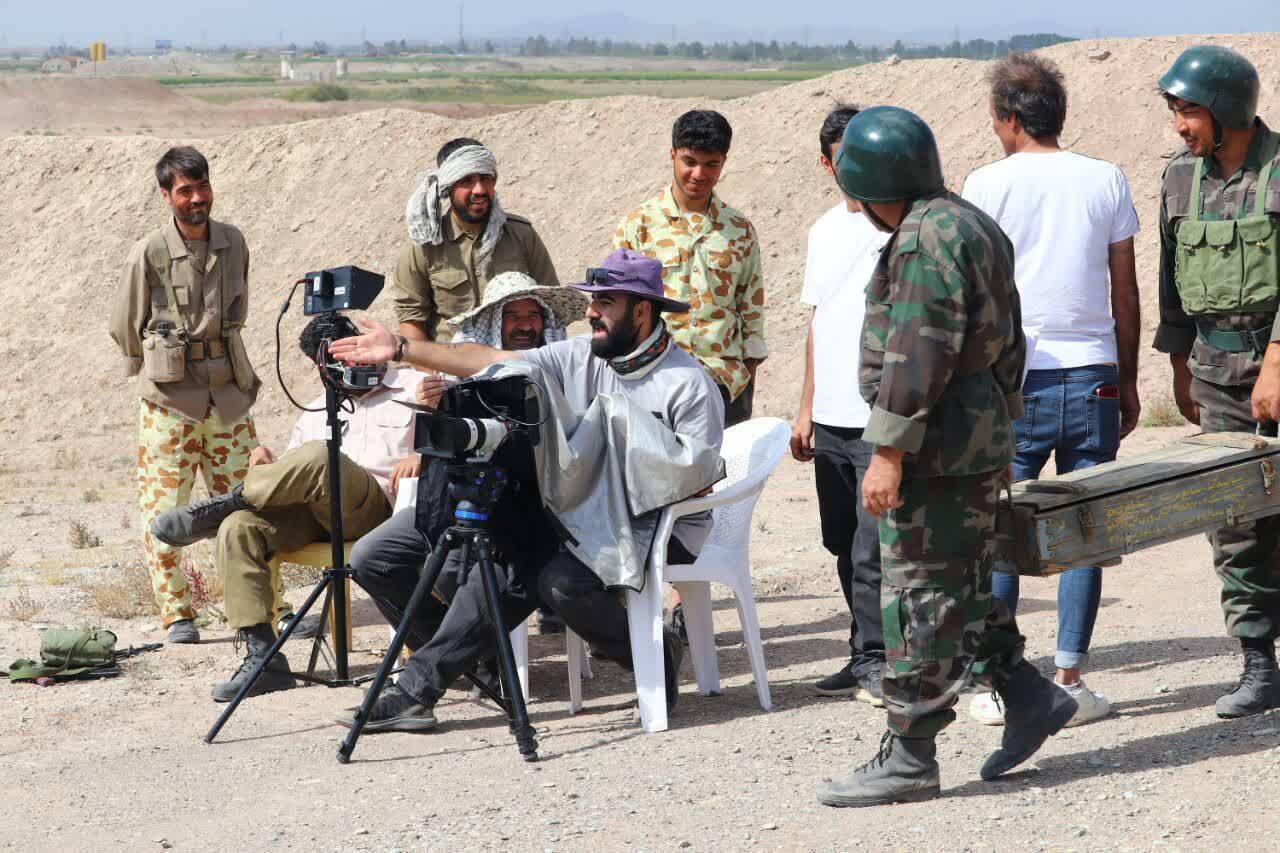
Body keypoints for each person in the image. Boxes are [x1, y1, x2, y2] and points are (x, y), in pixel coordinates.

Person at [327, 249, 724, 733]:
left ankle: (656, 656)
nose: (591, 313)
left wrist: (613, 464)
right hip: (573, 513)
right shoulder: (579, 355)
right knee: (506, 551)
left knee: (550, 576)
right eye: (592, 300)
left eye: (605, 302)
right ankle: (439, 679)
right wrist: (403, 350)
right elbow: (487, 358)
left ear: (642, 311)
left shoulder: (687, 383)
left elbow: (697, 481)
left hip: (658, 523)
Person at [815, 106, 1076, 808]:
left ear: (873, 182)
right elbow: (1011, 339)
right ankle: (1029, 695)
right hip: (976, 435)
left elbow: (916, 351)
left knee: (918, 594)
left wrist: (889, 453)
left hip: (936, 448)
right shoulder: (966, 220)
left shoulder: (924, 239)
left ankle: (910, 752)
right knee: (957, 585)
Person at [961, 53, 1142, 728]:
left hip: (1013, 380)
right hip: (1092, 371)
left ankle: (996, 681)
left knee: (1002, 526)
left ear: (1010, 118)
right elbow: (1124, 289)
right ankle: (1069, 675)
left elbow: (974, 292)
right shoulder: (1106, 179)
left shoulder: (985, 184)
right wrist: (1126, 379)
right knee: (1085, 530)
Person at [148, 314, 425, 701]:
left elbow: (461, 435)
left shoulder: (417, 386)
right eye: (333, 364)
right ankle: (264, 660)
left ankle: (226, 503)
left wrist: (423, 455)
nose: (350, 367)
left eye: (353, 354)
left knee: (322, 456)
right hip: (317, 516)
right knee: (240, 527)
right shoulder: (315, 409)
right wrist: (271, 464)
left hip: (382, 513)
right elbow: (297, 476)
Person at [353, 270, 588, 668]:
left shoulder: (562, 364)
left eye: (534, 315)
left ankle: (449, 663)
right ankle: (467, 658)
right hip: (457, 498)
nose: (527, 325)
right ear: (494, 322)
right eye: (514, 316)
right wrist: (435, 411)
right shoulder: (457, 369)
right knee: (371, 557)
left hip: (534, 508)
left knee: (460, 567)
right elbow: (444, 445)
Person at [1153, 45, 1280, 718]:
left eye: (1189, 110)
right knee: (1233, 519)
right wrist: (1179, 367)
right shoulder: (1179, 181)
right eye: (1175, 111)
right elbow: (1171, 285)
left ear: (1229, 109)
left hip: (1277, 365)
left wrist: (1278, 362)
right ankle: (1259, 662)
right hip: (1216, 376)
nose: (1180, 125)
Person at [109, 146, 262, 645]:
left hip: (227, 396)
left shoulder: (233, 242)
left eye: (202, 187)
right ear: (167, 196)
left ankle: (263, 608)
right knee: (164, 508)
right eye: (185, 191)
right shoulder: (149, 252)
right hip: (170, 400)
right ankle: (177, 612)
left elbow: (237, 307)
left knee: (246, 502)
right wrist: (158, 368)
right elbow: (124, 328)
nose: (197, 198)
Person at [791, 104, 888, 705]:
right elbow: (818, 324)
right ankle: (862, 653)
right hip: (830, 416)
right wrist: (804, 408)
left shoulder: (900, 223)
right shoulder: (823, 231)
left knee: (874, 548)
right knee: (841, 541)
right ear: (827, 164)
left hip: (878, 415)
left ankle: (882, 657)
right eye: (839, 158)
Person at [613, 109, 767, 428]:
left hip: (726, 387)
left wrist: (747, 382)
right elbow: (617, 307)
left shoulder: (739, 229)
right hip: (656, 381)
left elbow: (750, 309)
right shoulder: (637, 226)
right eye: (689, 161)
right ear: (672, 155)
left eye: (712, 164)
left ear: (724, 161)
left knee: (728, 477)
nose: (699, 174)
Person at [391, 138, 559, 344]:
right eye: (466, 180)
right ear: (448, 187)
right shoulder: (424, 247)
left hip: (517, 363)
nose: (479, 189)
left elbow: (551, 304)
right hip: (452, 368)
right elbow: (411, 320)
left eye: (485, 178)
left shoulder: (521, 235)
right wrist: (428, 374)